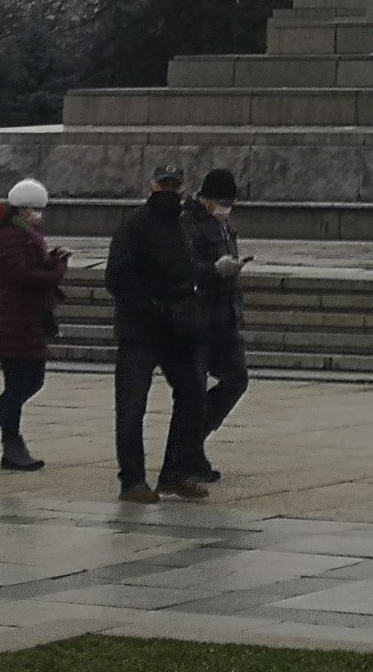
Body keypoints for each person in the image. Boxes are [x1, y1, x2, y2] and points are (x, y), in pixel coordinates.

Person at [105, 162, 212, 504]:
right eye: (164, 184)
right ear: (152, 186)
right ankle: (133, 481)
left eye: (174, 185)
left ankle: (175, 473)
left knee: (193, 396)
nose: (169, 190)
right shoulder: (135, 225)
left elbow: (187, 270)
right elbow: (118, 277)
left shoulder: (182, 225)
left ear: (183, 188)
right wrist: (153, 307)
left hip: (178, 328)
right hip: (141, 329)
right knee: (132, 406)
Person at [0, 177, 65, 473]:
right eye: (34, 210)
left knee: (32, 381)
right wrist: (58, 268)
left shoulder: (26, 233)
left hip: (27, 319)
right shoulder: (7, 236)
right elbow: (23, 276)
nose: (38, 215)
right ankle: (12, 445)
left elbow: (30, 267)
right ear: (20, 209)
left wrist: (52, 259)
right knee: (19, 383)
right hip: (11, 319)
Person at [185, 168, 248, 479]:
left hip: (224, 317)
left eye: (230, 204)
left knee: (237, 379)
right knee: (194, 391)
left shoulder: (223, 226)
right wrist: (214, 270)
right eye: (222, 203)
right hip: (199, 319)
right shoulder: (188, 224)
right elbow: (182, 268)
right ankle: (189, 451)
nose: (227, 209)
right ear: (205, 200)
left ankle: (191, 440)